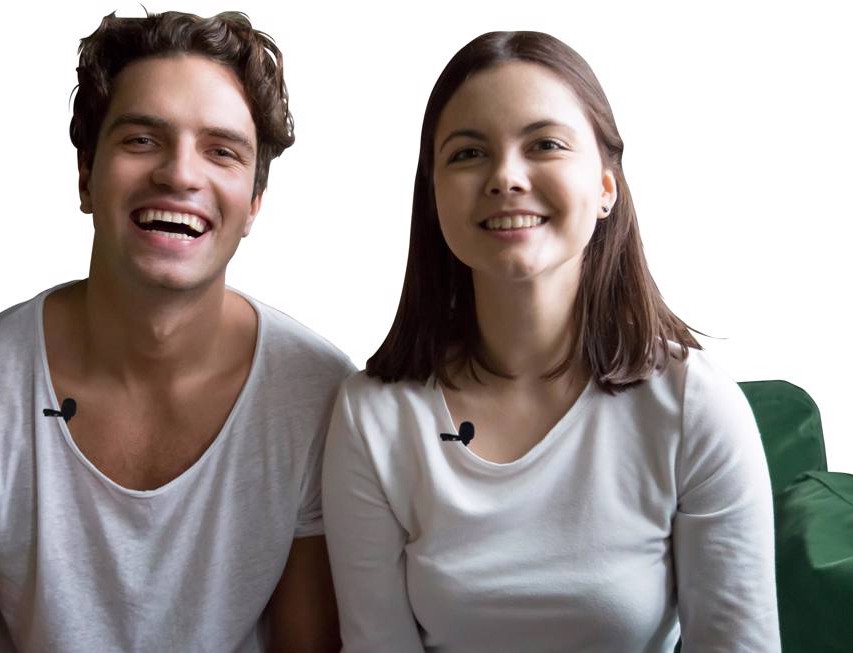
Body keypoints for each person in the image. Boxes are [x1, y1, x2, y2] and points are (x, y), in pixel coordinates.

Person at [0, 11, 350, 652]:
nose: (180, 174)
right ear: (85, 175)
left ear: (255, 202)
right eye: (142, 140)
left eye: (221, 151)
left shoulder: (320, 397)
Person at [322, 31, 779, 652]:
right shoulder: (372, 416)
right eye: (468, 153)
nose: (506, 177)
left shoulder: (693, 406)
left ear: (606, 188)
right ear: (433, 198)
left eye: (545, 145)